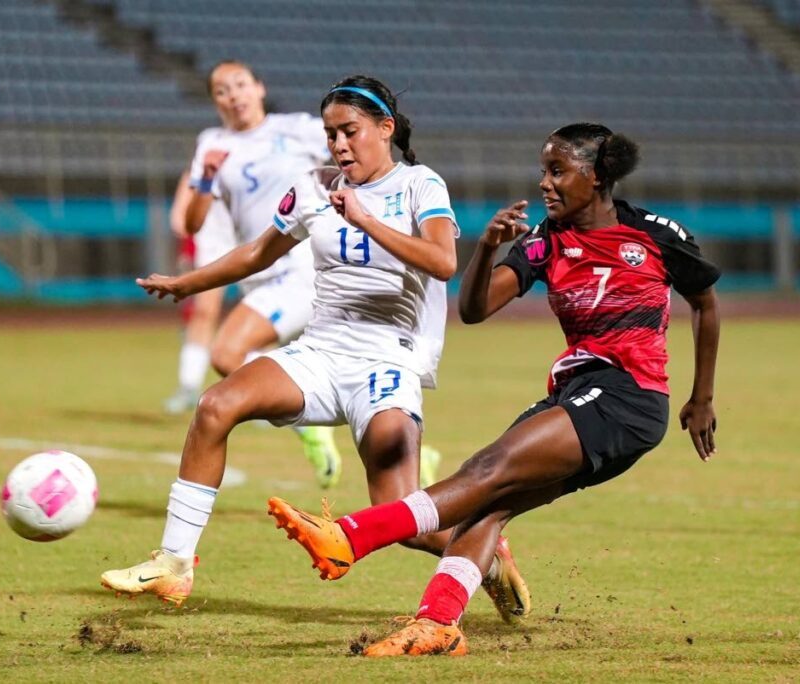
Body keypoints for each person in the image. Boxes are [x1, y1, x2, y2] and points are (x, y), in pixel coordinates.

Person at [268, 122, 722, 657]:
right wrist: (485, 247)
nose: (545, 183)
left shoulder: (655, 233)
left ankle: (352, 536)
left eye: (558, 171)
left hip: (628, 395)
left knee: (485, 471)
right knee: (489, 505)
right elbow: (475, 309)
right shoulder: (544, 242)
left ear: (597, 177)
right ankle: (438, 624)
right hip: (576, 391)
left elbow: (706, 304)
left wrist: (702, 397)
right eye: (542, 171)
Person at [100, 75, 500, 610]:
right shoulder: (314, 185)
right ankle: (173, 565)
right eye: (331, 133)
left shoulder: (421, 186)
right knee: (216, 405)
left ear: (385, 129)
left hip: (387, 362)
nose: (338, 144)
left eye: (350, 131)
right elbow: (258, 252)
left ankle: (488, 556)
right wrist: (185, 283)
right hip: (320, 353)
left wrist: (364, 218)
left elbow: (444, 262)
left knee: (401, 517)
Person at [180, 59, 344, 488]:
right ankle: (417, 459)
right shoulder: (212, 143)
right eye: (221, 90)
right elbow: (195, 222)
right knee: (340, 375)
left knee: (226, 354)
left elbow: (355, 153)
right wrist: (206, 179)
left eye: (239, 85)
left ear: (259, 87)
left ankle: (309, 423)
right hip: (259, 273)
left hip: (303, 266)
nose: (233, 95)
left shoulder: (297, 128)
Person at [163, 170, 235, 415]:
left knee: (265, 315)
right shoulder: (209, 155)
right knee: (204, 312)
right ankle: (188, 386)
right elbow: (179, 219)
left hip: (254, 236)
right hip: (215, 240)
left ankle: (269, 395)